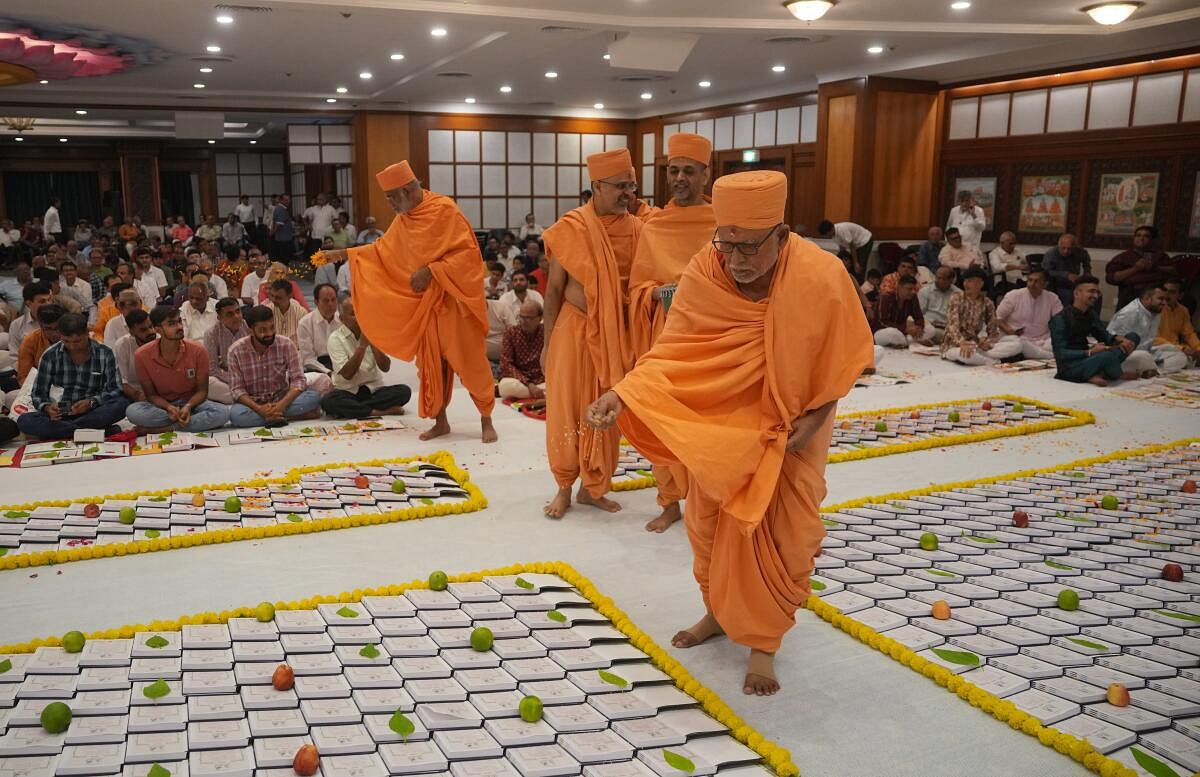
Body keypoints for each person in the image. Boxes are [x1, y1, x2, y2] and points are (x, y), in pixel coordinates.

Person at [586, 170, 872, 696]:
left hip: (790, 430)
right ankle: (717, 613)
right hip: (720, 429)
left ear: (782, 235)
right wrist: (622, 392)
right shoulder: (707, 268)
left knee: (781, 533)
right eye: (726, 241)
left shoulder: (821, 275)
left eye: (748, 246)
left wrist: (812, 422)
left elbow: (843, 359)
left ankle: (763, 643)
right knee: (709, 527)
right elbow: (674, 351)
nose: (735, 258)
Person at [317, 160, 498, 443]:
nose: (389, 203)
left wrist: (431, 270)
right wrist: (343, 254)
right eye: (387, 197)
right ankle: (441, 421)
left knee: (470, 361)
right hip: (426, 305)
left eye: (392, 197)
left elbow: (469, 255)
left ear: (410, 189)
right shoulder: (404, 219)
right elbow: (382, 251)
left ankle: (486, 419)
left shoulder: (444, 210)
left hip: (453, 302)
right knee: (431, 364)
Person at [541, 149, 642, 519]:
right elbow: (553, 291)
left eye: (631, 185)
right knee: (566, 409)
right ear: (596, 186)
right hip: (573, 328)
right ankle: (564, 487)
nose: (627, 193)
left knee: (606, 411)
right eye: (620, 186)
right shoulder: (572, 228)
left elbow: (644, 286)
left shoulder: (637, 229)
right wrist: (548, 343)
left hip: (616, 335)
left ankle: (593, 488)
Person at [626, 133, 717, 532]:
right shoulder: (655, 225)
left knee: (705, 421)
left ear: (705, 175)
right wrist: (658, 294)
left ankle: (707, 499)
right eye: (673, 170)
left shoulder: (721, 222)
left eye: (688, 171)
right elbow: (638, 287)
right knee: (659, 417)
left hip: (710, 338)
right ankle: (669, 500)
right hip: (663, 335)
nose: (679, 178)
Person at [17, 312, 129, 440]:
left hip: (92, 411)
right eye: (66, 341)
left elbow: (115, 388)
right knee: (24, 421)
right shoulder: (50, 355)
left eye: (77, 341)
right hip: (60, 414)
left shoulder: (105, 353)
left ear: (87, 333)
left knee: (121, 404)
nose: (72, 346)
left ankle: (67, 431)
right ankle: (92, 431)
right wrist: (47, 408)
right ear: (60, 336)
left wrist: (91, 402)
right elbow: (38, 393)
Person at [125, 306, 229, 433]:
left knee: (222, 413)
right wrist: (169, 407)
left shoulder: (198, 350)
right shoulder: (142, 355)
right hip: (163, 406)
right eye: (171, 324)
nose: (179, 326)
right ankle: (191, 422)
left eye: (179, 321)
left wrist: (188, 407)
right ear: (158, 329)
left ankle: (166, 428)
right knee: (132, 412)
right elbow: (151, 395)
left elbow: (202, 391)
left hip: (192, 403)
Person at [226, 305, 321, 427]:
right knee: (236, 415)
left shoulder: (286, 344)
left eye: (272, 327)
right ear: (250, 330)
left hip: (282, 399)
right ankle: (291, 416)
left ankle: (273, 416)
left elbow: (298, 380)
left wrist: (282, 405)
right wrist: (260, 409)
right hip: (254, 403)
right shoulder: (235, 351)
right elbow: (237, 389)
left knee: (314, 397)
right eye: (263, 330)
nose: (269, 333)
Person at [321, 295, 411, 419]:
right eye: (353, 314)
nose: (359, 317)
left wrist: (373, 343)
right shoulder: (335, 339)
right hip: (348, 391)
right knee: (329, 402)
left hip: (374, 391)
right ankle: (378, 412)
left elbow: (385, 367)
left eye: (360, 312)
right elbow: (347, 374)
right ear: (342, 319)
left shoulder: (372, 332)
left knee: (404, 391)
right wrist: (362, 347)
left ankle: (357, 410)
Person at [1049, 275, 1140, 385]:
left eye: (1097, 292)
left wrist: (1120, 340)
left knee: (1133, 338)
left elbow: (1104, 336)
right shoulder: (1060, 319)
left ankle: (1097, 373)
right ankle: (1115, 374)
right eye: (1091, 292)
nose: (1095, 296)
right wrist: (1090, 352)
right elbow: (1060, 354)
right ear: (1076, 293)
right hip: (1070, 367)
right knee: (1107, 356)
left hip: (1089, 359)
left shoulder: (1090, 314)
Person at [940, 267, 1023, 365]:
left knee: (1017, 344)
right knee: (966, 355)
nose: (966, 284)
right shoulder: (956, 298)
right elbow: (952, 326)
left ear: (981, 283)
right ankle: (994, 362)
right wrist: (962, 342)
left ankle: (983, 357)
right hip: (953, 346)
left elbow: (994, 331)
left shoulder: (988, 303)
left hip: (976, 345)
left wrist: (987, 342)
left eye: (970, 281)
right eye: (965, 280)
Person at [1108, 283, 1188, 375]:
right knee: (1143, 355)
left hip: (1146, 352)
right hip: (1126, 355)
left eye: (1165, 299)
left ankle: (1155, 371)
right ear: (1147, 299)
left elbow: (1148, 343)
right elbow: (1114, 344)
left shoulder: (1156, 311)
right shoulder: (1130, 312)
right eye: (1160, 299)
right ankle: (1149, 368)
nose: (1165, 303)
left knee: (1178, 353)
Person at [995, 268, 1062, 359]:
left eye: (1036, 281)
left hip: (1043, 339)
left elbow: (1060, 321)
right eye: (1030, 280)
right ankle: (1048, 356)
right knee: (1018, 345)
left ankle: (1039, 354)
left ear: (1045, 284)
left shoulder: (1053, 298)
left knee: (1056, 341)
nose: (1032, 284)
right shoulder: (1014, 295)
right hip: (1017, 338)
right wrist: (1009, 330)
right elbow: (997, 318)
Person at [1105, 225, 1176, 311]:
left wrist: (1154, 267)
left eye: (1146, 236)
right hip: (1131, 294)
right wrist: (1135, 268)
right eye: (1138, 235)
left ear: (1152, 240)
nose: (1141, 238)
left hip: (1156, 293)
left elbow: (1173, 272)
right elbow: (1111, 278)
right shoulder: (1123, 257)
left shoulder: (1160, 256)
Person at [203, 297, 249, 405]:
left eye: (238, 311)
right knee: (209, 383)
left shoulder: (249, 327)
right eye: (229, 314)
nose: (236, 317)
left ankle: (243, 398)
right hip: (227, 379)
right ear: (219, 318)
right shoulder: (211, 334)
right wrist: (235, 380)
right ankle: (249, 397)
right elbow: (212, 369)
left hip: (250, 375)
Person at [498, 299, 546, 401]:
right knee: (504, 386)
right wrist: (529, 384)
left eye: (528, 318)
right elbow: (506, 364)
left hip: (543, 379)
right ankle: (541, 394)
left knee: (564, 382)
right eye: (521, 317)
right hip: (520, 381)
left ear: (540, 318)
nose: (523, 321)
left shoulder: (547, 333)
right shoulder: (511, 333)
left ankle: (538, 393)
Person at [873, 275, 933, 348]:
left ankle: (908, 342)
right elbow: (881, 323)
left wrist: (918, 328)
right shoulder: (886, 298)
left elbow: (919, 317)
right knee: (892, 332)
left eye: (914, 289)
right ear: (899, 287)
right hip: (883, 332)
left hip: (903, 333)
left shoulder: (913, 298)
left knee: (930, 329)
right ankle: (912, 342)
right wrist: (905, 329)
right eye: (909, 289)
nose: (913, 292)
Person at [112, 310, 157, 403]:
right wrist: (137, 395)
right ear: (132, 332)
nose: (151, 332)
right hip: (135, 394)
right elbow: (122, 380)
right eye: (143, 330)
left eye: (151, 326)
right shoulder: (122, 345)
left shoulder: (161, 339)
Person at [1154, 279, 1199, 367]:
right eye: (1165, 291)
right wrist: (1181, 348)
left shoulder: (1183, 310)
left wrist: (1198, 349)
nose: (1167, 295)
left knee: (1189, 357)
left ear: (1180, 296)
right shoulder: (1156, 308)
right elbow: (1153, 338)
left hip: (1175, 348)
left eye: (1172, 292)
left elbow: (1189, 334)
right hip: (1157, 346)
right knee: (1182, 358)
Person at [297, 283, 340, 373]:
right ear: (316, 302)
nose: (330, 304)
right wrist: (328, 372)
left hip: (340, 363)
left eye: (333, 300)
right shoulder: (305, 323)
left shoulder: (342, 320)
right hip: (316, 367)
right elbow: (308, 359)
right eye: (326, 301)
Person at [17, 304, 64, 384]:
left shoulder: (74, 337)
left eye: (58, 328)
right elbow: (24, 377)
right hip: (39, 386)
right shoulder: (30, 341)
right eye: (48, 329)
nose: (54, 334)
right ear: (40, 326)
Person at [1042, 233, 1092, 307]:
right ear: (1059, 246)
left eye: (1069, 249)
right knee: (1069, 296)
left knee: (1093, 294)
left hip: (1075, 284)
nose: (1066, 251)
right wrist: (1066, 275)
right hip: (1055, 284)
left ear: (1075, 247)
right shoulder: (1051, 253)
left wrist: (1086, 275)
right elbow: (1045, 272)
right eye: (1063, 248)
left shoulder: (1080, 252)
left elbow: (1087, 264)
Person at [917, 266, 961, 343]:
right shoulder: (925, 291)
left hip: (946, 327)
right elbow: (918, 314)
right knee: (929, 331)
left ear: (951, 280)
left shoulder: (958, 294)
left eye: (943, 279)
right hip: (928, 325)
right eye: (937, 277)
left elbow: (959, 317)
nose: (938, 281)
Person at [9, 282, 53, 354]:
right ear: (28, 303)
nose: (48, 304)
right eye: (42, 301)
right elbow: (15, 356)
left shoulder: (60, 321)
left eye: (49, 300)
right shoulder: (16, 325)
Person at [987, 231, 1026, 295]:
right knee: (1021, 292)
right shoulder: (994, 253)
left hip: (1019, 280)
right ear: (1002, 243)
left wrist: (1027, 266)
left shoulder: (1017, 251)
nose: (1013, 246)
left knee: (1034, 287)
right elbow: (998, 267)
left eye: (1014, 243)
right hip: (1003, 282)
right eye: (1010, 243)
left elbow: (1027, 260)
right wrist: (1017, 267)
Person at [269, 194, 295, 261]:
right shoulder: (281, 209)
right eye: (286, 200)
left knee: (282, 257)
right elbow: (278, 224)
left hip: (282, 238)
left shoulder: (279, 208)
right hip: (284, 239)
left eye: (289, 199)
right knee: (285, 258)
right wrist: (273, 233)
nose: (288, 201)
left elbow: (274, 221)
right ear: (281, 200)